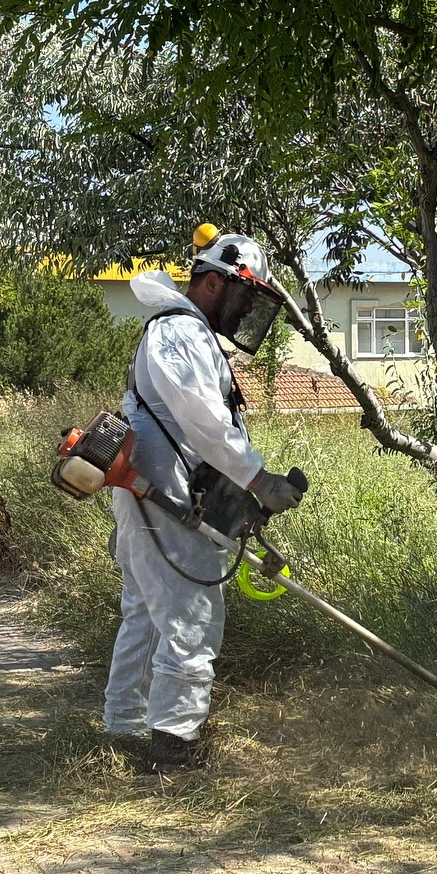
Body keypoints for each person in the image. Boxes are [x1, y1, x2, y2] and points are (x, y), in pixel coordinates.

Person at [103, 228, 304, 773]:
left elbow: (198, 435)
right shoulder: (179, 331)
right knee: (190, 615)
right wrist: (259, 479)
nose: (245, 310)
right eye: (244, 296)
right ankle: (175, 744)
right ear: (214, 282)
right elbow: (204, 420)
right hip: (158, 494)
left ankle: (126, 724)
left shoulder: (185, 333)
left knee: (147, 612)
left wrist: (242, 497)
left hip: (156, 490)